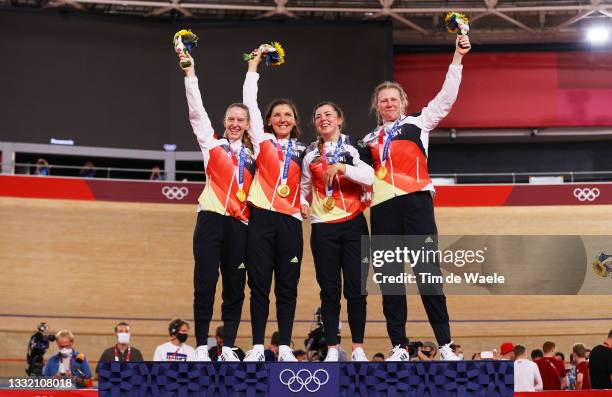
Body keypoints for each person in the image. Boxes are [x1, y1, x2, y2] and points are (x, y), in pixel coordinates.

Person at [357, 35, 471, 361]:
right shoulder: (369, 139)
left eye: (394, 99)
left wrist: (457, 58)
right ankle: (399, 346)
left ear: (403, 102)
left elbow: (446, 98)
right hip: (382, 209)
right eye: (383, 100)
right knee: (391, 279)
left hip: (417, 204)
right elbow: (359, 176)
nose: (389, 104)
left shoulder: (419, 123)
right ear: (376, 107)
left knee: (427, 275)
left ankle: (446, 345)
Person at [178, 50, 258, 362]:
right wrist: (190, 75)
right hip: (210, 221)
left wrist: (252, 69)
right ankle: (200, 346)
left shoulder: (257, 156)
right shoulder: (212, 146)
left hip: (241, 225)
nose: (235, 124)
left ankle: (228, 349)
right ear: (224, 122)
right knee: (205, 284)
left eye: (241, 120)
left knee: (235, 288)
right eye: (231, 119)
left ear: (248, 123)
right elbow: (197, 113)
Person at [241, 49, 308, 362]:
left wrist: (305, 201)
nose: (283, 118)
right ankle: (256, 346)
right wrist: (254, 66)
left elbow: (308, 185)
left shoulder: (305, 150)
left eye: (288, 115)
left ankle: (283, 347)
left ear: (294, 122)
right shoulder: (261, 140)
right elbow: (249, 100)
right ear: (268, 121)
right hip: (262, 219)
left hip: (291, 223)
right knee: (258, 285)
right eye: (278, 114)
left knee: (287, 287)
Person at [300, 101, 373, 362]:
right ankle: (332, 348)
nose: (323, 119)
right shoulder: (310, 152)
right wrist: (304, 203)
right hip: (323, 228)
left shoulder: (355, 146)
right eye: (318, 116)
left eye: (328, 114)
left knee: (357, 289)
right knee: (329, 291)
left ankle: (358, 348)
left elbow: (370, 177)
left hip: (354, 223)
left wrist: (342, 168)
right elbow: (303, 186)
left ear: (339, 119)